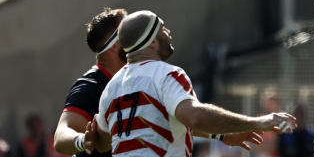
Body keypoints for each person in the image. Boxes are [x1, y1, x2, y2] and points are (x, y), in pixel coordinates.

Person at [84, 10, 297, 156]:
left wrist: (221, 134)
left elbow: (103, 143)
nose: (168, 32)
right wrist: (259, 122)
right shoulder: (166, 74)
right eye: (162, 28)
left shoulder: (111, 88)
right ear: (151, 41)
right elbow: (193, 116)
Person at [53, 8, 127, 157]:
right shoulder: (89, 86)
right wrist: (82, 140)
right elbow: (60, 137)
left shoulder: (134, 76)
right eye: (128, 32)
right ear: (114, 45)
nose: (135, 36)